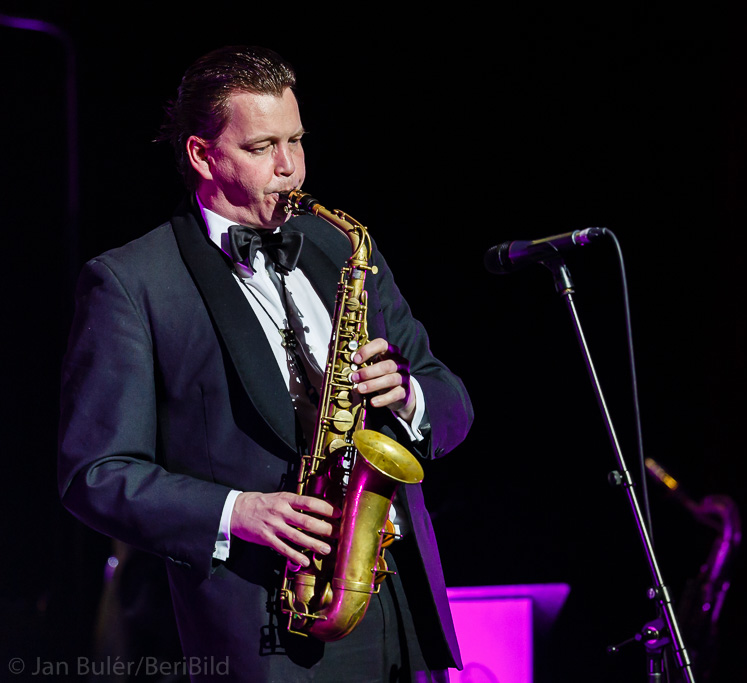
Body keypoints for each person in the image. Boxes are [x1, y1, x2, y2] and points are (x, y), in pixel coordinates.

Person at [57, 45, 473, 682]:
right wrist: (236, 511)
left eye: (296, 141)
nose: (290, 167)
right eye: (262, 147)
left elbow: (450, 398)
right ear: (203, 155)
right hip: (267, 626)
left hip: (398, 604)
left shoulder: (342, 246)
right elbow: (95, 474)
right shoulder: (132, 282)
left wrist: (408, 395)